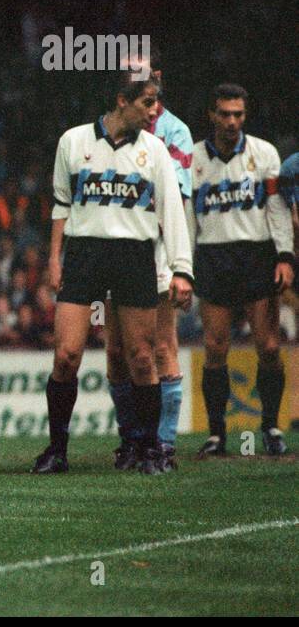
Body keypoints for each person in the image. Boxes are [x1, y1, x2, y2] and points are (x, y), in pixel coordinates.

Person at [35, 70, 193, 475]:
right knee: (67, 355)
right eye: (148, 102)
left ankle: (148, 448)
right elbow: (61, 204)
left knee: (141, 357)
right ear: (122, 101)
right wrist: (55, 258)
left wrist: (182, 269)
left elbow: (172, 211)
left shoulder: (155, 150)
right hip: (85, 254)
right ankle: (57, 449)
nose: (154, 110)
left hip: (135, 255)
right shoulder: (73, 141)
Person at [189, 84, 294, 457]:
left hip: (257, 255)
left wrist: (285, 255)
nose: (232, 121)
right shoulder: (193, 159)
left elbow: (278, 208)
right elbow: (187, 217)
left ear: (245, 116)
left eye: (238, 115)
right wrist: (182, 266)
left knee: (268, 345)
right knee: (215, 347)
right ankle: (217, 434)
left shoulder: (264, 153)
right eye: (225, 114)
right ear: (212, 115)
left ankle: (271, 426)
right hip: (214, 256)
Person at [104, 56, 194, 470]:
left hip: (155, 247)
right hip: (115, 246)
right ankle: (132, 440)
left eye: (151, 76)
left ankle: (164, 443)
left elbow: (178, 201)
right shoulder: (109, 132)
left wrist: (181, 264)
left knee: (160, 345)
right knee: (117, 350)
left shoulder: (174, 132)